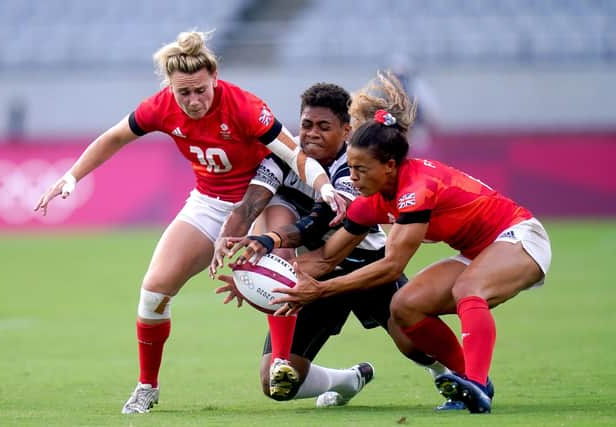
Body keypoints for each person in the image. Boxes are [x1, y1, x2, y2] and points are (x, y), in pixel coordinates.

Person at [33, 30, 345, 415]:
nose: (194, 101)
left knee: (279, 255)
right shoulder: (160, 107)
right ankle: (147, 386)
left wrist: (323, 185)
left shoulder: (245, 107)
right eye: (184, 93)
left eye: (201, 89)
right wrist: (71, 177)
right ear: (170, 88)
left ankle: (281, 360)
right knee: (153, 291)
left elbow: (293, 153)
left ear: (214, 76)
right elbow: (114, 138)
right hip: (209, 202)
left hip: (259, 195)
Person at [266, 70, 552, 414]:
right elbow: (326, 258)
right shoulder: (370, 200)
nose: (352, 179)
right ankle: (466, 379)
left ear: (389, 166)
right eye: (351, 169)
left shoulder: (417, 189)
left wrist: (322, 290)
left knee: (468, 290)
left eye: (360, 170)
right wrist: (272, 275)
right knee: (405, 306)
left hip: (519, 236)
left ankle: (477, 386)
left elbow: (391, 266)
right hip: (477, 252)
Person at [212, 82, 452, 408]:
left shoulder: (353, 165)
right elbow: (250, 206)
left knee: (413, 341)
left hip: (365, 264)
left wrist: (270, 240)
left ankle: (447, 374)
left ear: (346, 130)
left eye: (324, 127)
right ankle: (348, 380)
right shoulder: (284, 156)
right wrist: (238, 259)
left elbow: (321, 220)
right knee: (274, 383)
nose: (312, 134)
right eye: (307, 124)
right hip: (314, 274)